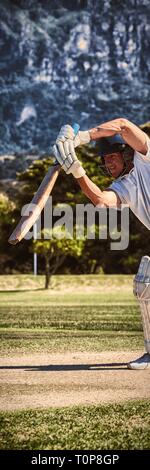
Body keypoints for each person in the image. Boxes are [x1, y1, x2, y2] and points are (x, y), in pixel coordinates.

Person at [53, 118, 150, 369]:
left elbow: (123, 125)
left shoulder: (145, 155)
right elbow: (101, 201)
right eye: (104, 159)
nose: (107, 162)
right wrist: (77, 170)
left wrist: (82, 138)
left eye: (111, 156)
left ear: (126, 152)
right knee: (145, 283)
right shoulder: (122, 186)